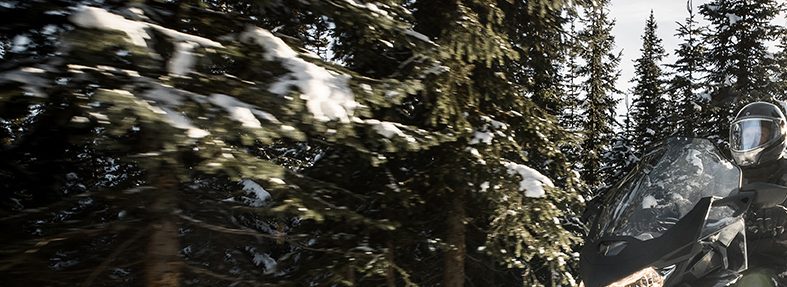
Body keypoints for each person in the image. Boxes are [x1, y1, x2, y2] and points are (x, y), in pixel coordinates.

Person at [729, 101, 787, 286]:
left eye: (758, 135)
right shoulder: (729, 176)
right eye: (747, 136)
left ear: (778, 134)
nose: (751, 142)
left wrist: (782, 218)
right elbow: (702, 200)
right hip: (728, 264)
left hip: (776, 264)